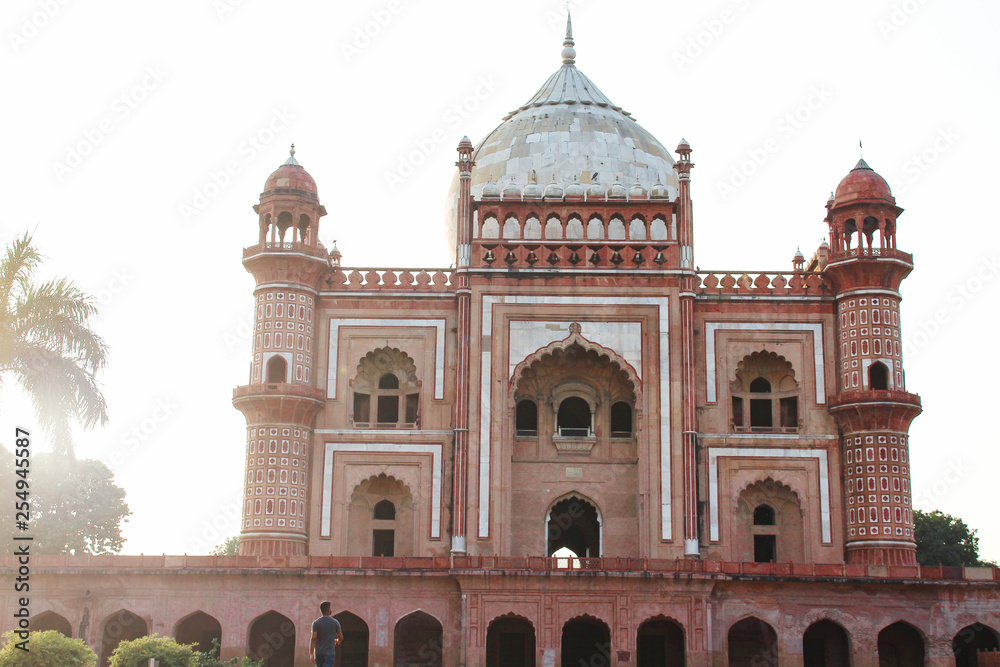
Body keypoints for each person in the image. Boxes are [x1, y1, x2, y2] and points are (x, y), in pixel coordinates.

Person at [309, 601, 343, 667]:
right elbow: (340, 637)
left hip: (319, 653)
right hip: (329, 653)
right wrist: (337, 641)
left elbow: (313, 638)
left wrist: (311, 653)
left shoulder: (316, 623)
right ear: (328, 610)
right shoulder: (335, 622)